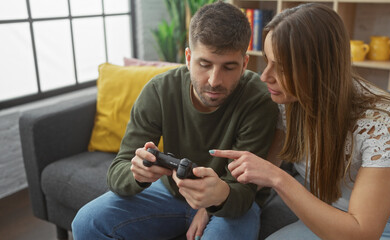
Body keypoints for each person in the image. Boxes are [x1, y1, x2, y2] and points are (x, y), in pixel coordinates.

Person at [209, 3, 390, 239]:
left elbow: (363, 233)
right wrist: (216, 198)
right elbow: (260, 170)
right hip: (332, 212)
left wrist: (278, 178)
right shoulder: (288, 103)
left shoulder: (381, 125)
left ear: (318, 68)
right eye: (267, 60)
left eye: (280, 67)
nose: (265, 76)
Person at [71, 1, 278, 240]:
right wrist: (136, 174)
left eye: (228, 67)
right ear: (188, 58)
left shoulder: (258, 100)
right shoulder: (159, 91)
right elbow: (118, 172)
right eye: (204, 64)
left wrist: (214, 201)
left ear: (244, 64)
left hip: (230, 200)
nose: (214, 80)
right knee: (87, 223)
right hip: (171, 193)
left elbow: (244, 193)